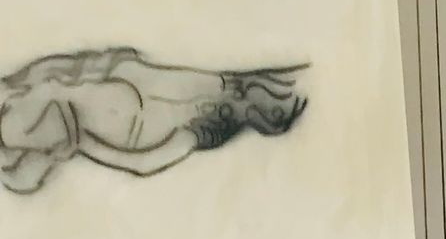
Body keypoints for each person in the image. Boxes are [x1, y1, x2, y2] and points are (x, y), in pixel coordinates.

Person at [0, 47, 307, 195]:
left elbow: (143, 164)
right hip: (118, 100)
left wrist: (83, 142)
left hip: (121, 116)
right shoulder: (217, 90)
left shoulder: (200, 130)